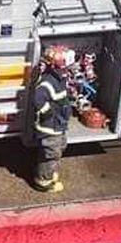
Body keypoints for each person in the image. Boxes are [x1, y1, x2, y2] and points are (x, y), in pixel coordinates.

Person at [30, 46, 74, 193]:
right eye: (65, 67)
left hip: (58, 125)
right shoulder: (48, 83)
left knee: (57, 149)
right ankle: (43, 182)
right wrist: (48, 114)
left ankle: (47, 172)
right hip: (50, 126)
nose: (67, 70)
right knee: (51, 154)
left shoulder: (58, 78)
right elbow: (38, 99)